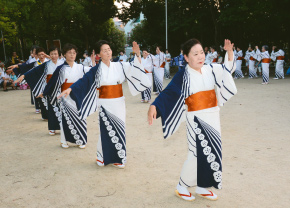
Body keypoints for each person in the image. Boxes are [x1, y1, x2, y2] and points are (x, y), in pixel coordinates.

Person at [148, 39, 237, 202]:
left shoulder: (211, 69)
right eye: (195, 54)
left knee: (213, 151)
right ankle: (182, 186)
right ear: (186, 57)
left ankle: (202, 186)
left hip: (213, 115)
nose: (200, 56)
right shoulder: (184, 74)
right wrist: (156, 105)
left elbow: (227, 69)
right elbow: (170, 92)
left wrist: (229, 52)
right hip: (196, 118)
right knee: (196, 153)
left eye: (202, 52)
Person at [57, 40, 151, 168]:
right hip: (104, 103)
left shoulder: (120, 65)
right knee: (105, 129)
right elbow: (84, 81)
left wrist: (138, 55)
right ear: (99, 54)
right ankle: (101, 156)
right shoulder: (96, 69)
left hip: (118, 102)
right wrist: (70, 89)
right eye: (104, 50)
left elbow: (135, 69)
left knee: (120, 129)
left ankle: (119, 158)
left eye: (109, 49)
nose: (108, 52)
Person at [43, 43, 94, 148]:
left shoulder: (80, 67)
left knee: (81, 117)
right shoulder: (60, 69)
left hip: (78, 95)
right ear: (64, 54)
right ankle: (64, 140)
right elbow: (52, 82)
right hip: (65, 97)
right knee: (65, 118)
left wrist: (93, 61)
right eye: (69, 53)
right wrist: (44, 92)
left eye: (74, 53)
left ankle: (81, 140)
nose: (72, 55)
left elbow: (91, 73)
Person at [14, 47, 65, 135]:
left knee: (63, 108)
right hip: (51, 89)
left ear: (59, 55)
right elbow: (34, 70)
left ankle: (63, 127)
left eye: (55, 54)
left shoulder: (62, 63)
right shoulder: (47, 64)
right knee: (52, 108)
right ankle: (52, 128)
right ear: (49, 54)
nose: (53, 56)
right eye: (52, 54)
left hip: (61, 88)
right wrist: (24, 76)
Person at [8, 47, 50, 116]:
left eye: (43, 54)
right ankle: (44, 114)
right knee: (40, 97)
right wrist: (16, 66)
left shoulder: (49, 61)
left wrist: (49, 57)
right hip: (38, 82)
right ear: (37, 55)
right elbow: (25, 66)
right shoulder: (36, 63)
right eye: (39, 55)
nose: (41, 56)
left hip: (48, 81)